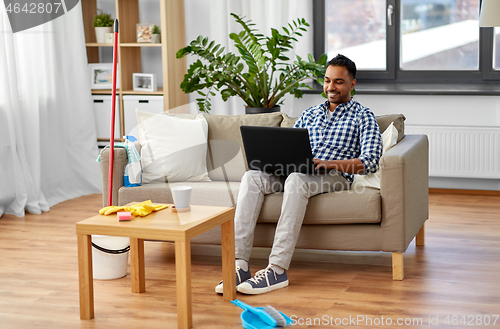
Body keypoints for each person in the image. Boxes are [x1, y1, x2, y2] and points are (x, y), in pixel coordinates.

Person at [215, 54, 383, 295]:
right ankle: (238, 265)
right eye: (327, 81)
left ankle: (277, 270)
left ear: (352, 84)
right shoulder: (310, 114)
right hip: (295, 169)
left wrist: (327, 163)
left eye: (338, 82)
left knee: (296, 179)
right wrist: (277, 160)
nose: (330, 87)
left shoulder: (363, 116)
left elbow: (369, 162)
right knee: (252, 177)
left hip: (333, 175)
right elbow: (287, 146)